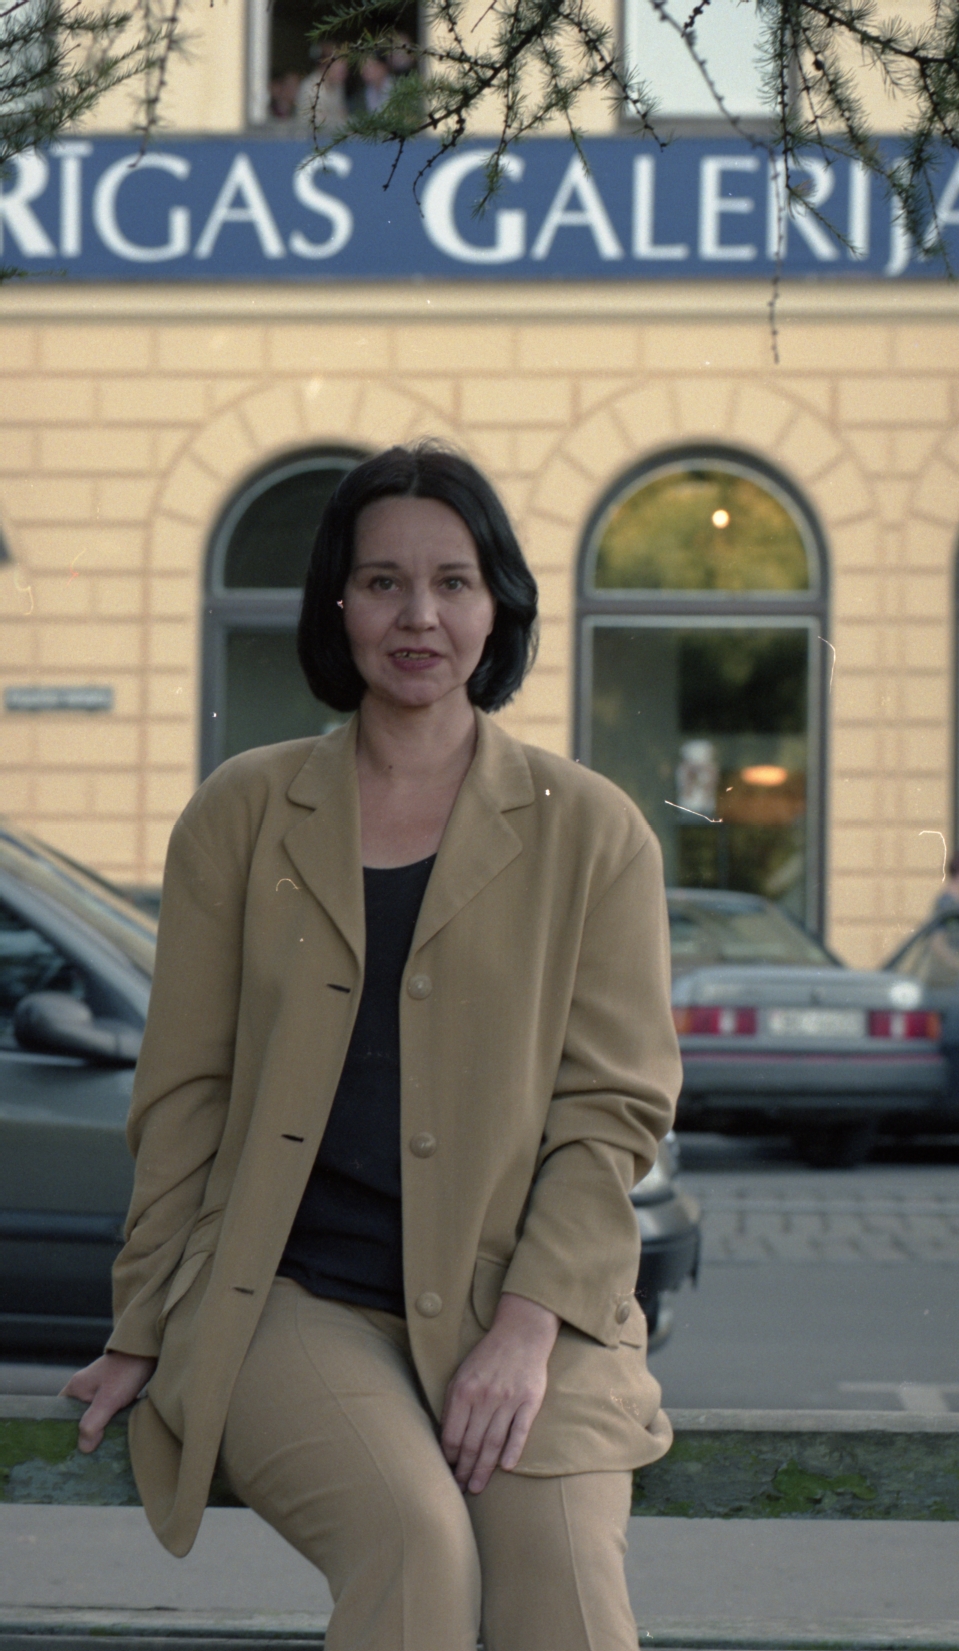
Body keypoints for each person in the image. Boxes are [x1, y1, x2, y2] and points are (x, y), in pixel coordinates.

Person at [63, 444, 682, 1651]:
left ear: (495, 606)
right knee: (415, 1550)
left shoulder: (592, 831)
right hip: (288, 1298)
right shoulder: (241, 813)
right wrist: (142, 1325)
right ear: (336, 604)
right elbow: (184, 1096)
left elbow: (609, 1115)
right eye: (382, 582)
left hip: (524, 1308)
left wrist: (526, 1332)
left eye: (452, 582)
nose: (417, 617)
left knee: (563, 1603)